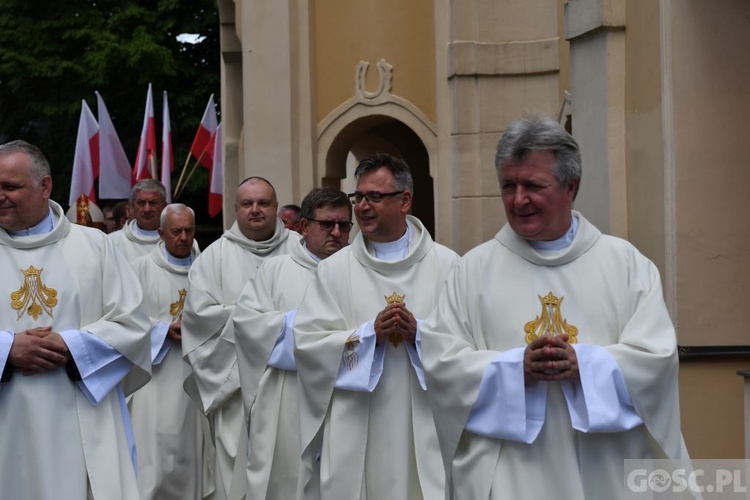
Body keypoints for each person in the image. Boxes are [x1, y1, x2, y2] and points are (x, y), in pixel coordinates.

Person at [420, 117, 689, 499]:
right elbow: (441, 364)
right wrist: (514, 371)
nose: (518, 200)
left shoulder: (626, 264)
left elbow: (657, 359)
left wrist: (586, 366)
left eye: (533, 185)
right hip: (511, 473)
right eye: (508, 186)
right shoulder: (472, 271)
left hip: (606, 470)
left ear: (571, 187)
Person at [294, 154, 459, 500]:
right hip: (355, 425)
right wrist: (368, 336)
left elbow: (467, 347)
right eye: (359, 197)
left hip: (427, 424)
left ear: (405, 200)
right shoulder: (333, 270)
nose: (363, 206)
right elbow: (307, 346)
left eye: (375, 197)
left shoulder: (448, 266)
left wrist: (421, 334)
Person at [0, 140, 151, 498]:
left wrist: (71, 345)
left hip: (83, 416)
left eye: (11, 187)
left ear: (45, 186)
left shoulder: (95, 247)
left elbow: (133, 325)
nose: (1, 196)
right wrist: (8, 348)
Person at [182, 176, 302, 499]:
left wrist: (253, 322)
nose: (255, 210)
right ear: (235, 210)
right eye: (247, 204)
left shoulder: (300, 251)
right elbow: (197, 321)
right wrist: (258, 323)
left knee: (291, 474)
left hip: (291, 385)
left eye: (263, 203)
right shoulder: (214, 257)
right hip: (234, 392)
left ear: (276, 208)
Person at [231, 188, 352, 500]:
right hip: (288, 399)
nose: (336, 233)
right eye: (327, 224)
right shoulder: (275, 271)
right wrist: (312, 331)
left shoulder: (359, 272)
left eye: (344, 225)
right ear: (304, 227)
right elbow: (247, 326)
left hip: (345, 398)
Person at [130, 203, 213, 500]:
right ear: (161, 233)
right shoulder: (140, 269)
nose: (183, 237)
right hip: (154, 377)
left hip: (194, 374)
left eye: (189, 231)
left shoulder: (206, 269)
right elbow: (126, 317)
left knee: (191, 451)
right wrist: (162, 330)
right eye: (176, 231)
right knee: (155, 452)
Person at [109, 179, 169, 262]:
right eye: (141, 203)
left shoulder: (177, 241)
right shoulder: (112, 242)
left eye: (153, 203)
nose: (147, 209)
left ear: (165, 206)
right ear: (131, 208)